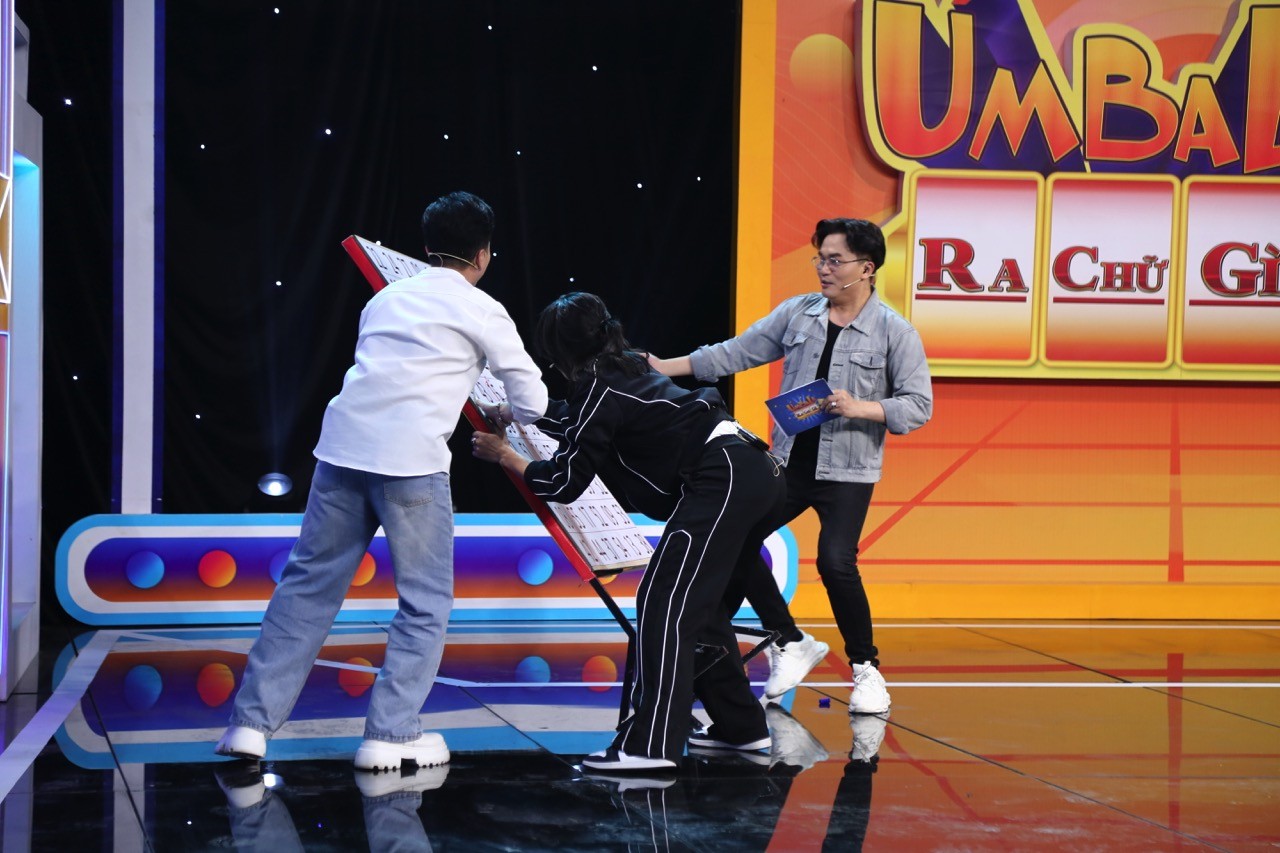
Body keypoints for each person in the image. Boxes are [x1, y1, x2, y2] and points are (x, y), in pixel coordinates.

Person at [215, 191, 548, 770]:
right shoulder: (483, 308)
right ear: (483, 254)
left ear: (427, 247)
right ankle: (390, 735)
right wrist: (503, 410)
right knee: (425, 602)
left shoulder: (387, 297)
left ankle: (248, 727)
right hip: (411, 462)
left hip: (342, 451)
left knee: (306, 588)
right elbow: (535, 403)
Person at [472, 292, 786, 771]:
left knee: (664, 601)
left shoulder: (600, 383)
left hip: (722, 475)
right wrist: (518, 413)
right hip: (753, 469)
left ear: (559, 352)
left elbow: (563, 481)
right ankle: (741, 728)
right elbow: (584, 420)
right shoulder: (625, 365)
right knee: (699, 609)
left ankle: (648, 747)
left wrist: (506, 456)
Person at [649, 217, 932, 715]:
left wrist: (862, 407)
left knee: (835, 562)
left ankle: (866, 670)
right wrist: (660, 367)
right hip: (787, 462)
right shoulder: (799, 313)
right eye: (820, 258)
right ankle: (790, 640)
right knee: (735, 539)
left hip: (847, 470)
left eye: (834, 260)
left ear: (866, 268)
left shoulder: (895, 332)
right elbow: (735, 354)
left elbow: (918, 406)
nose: (823, 268)